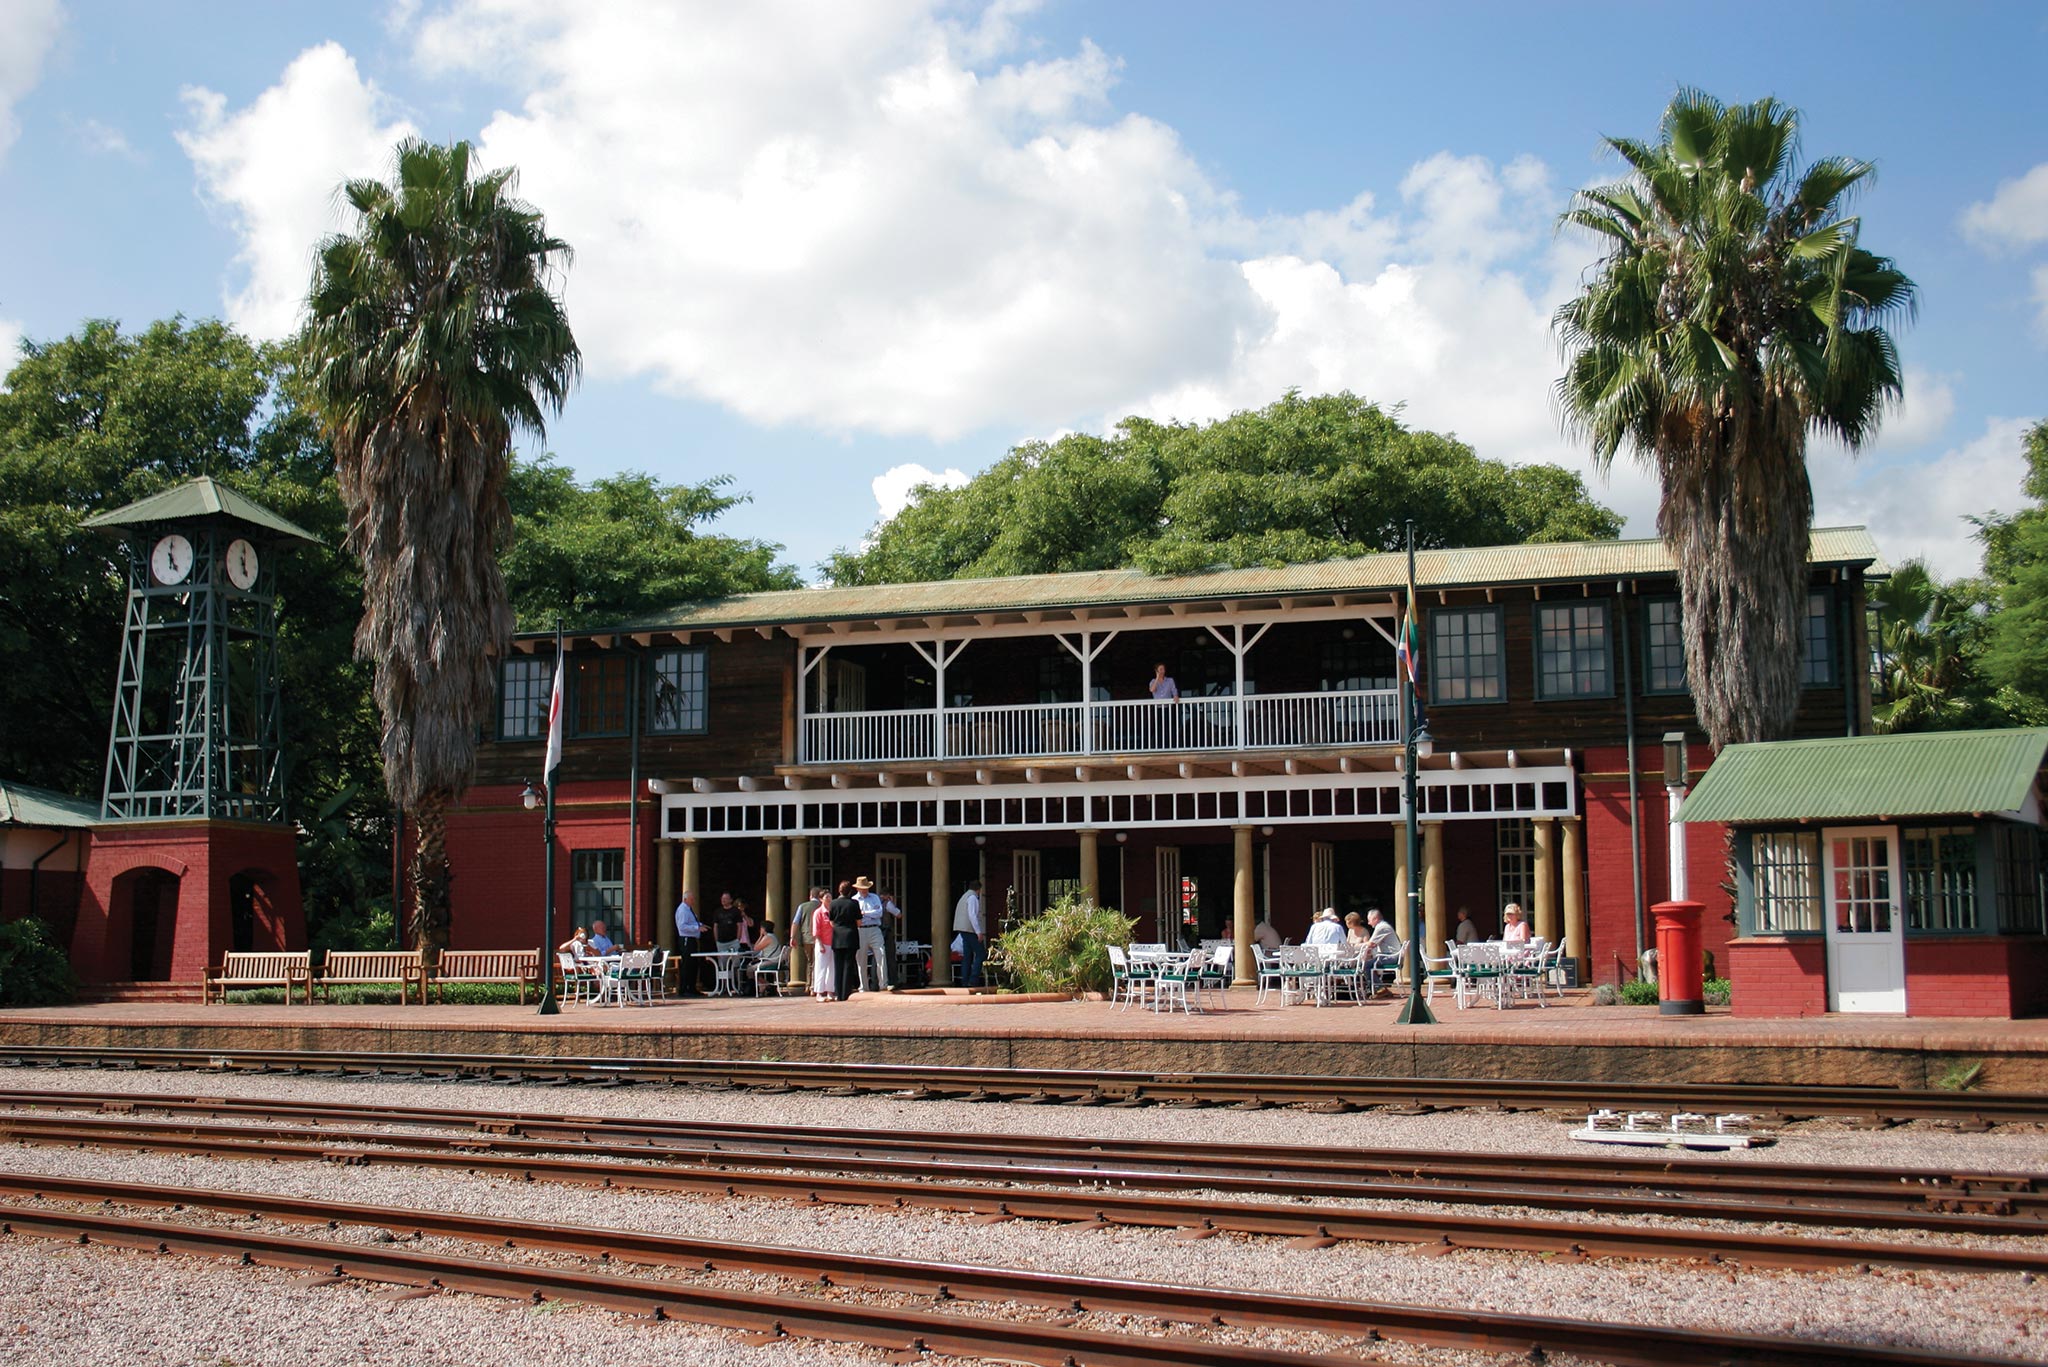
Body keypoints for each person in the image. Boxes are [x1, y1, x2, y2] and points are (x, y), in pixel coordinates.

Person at [853, 875, 889, 991]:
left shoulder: (874, 897)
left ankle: (883, 984)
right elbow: (856, 917)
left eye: (866, 887)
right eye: (862, 888)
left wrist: (864, 913)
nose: (864, 890)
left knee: (881, 954)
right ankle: (864, 987)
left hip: (875, 929)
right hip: (860, 930)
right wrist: (868, 914)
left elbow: (879, 913)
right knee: (861, 959)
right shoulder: (854, 900)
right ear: (857, 888)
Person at [828, 880, 863, 1000]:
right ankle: (845, 993)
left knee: (838, 966)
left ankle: (838, 993)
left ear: (839, 891)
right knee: (848, 965)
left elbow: (831, 921)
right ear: (850, 892)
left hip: (837, 936)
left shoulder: (833, 903)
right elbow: (859, 922)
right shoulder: (854, 903)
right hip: (850, 936)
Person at [953, 879, 986, 987]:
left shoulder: (964, 896)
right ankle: (973, 979)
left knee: (967, 955)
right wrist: (979, 932)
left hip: (963, 929)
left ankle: (965, 981)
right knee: (981, 953)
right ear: (978, 889)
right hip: (970, 930)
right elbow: (972, 915)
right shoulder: (972, 898)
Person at [673, 891, 704, 997]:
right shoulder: (682, 910)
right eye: (691, 899)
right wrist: (696, 928)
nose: (693, 901)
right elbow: (682, 927)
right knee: (687, 964)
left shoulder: (688, 910)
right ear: (685, 899)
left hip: (692, 939)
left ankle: (692, 987)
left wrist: (700, 925)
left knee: (693, 964)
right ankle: (685, 988)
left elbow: (691, 923)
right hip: (686, 939)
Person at [809, 889, 835, 1001]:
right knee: (821, 968)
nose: (829, 899)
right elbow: (816, 930)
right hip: (823, 943)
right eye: (826, 897)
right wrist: (820, 944)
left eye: (830, 897)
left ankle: (830, 992)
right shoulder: (818, 912)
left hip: (833, 943)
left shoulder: (832, 911)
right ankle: (819, 993)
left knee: (832, 968)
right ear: (821, 899)